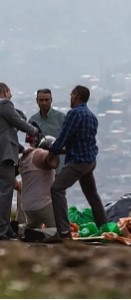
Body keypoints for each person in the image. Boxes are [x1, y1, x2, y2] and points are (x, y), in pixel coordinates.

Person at [45, 85, 107, 239]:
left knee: (57, 189)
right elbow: (82, 140)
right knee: (92, 195)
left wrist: (51, 153)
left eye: (71, 95)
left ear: (77, 96)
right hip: (89, 161)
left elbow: (64, 136)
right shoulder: (91, 116)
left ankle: (64, 232)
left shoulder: (74, 114)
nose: (70, 98)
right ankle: (104, 228)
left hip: (78, 162)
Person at [0, 82, 39, 240]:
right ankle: (2, 229)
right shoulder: (4, 104)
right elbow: (19, 122)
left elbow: (5, 134)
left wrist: (22, 150)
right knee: (5, 192)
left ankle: (7, 227)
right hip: (5, 155)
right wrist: (34, 130)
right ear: (6, 91)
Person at [16, 136, 59, 229]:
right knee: (61, 229)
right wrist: (56, 151)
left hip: (27, 206)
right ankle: (43, 234)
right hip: (44, 204)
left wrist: (17, 185)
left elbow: (8, 174)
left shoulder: (23, 157)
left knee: (32, 226)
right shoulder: (42, 153)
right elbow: (54, 164)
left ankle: (20, 230)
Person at [27, 88, 65, 172]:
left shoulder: (61, 118)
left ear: (51, 100)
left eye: (46, 100)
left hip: (58, 164)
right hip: (40, 165)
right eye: (41, 100)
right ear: (37, 101)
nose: (44, 102)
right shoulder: (32, 120)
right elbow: (31, 142)